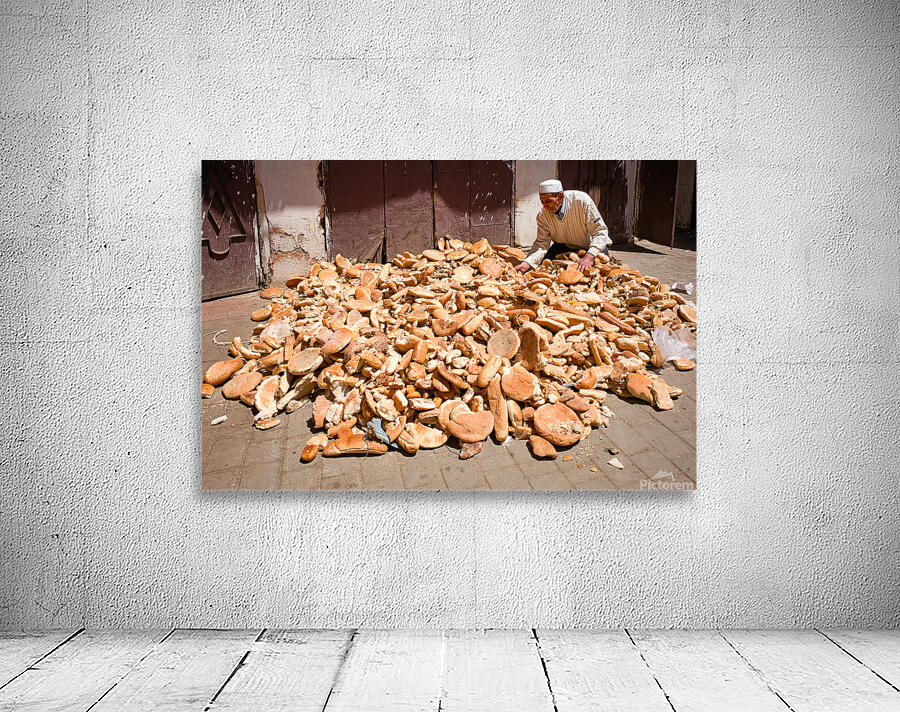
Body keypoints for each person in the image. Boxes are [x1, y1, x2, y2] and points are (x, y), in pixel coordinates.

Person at [514, 179, 612, 274]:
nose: (545, 206)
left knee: (594, 270)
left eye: (548, 201)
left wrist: (589, 257)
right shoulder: (542, 215)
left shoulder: (581, 201)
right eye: (542, 202)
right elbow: (541, 244)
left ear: (560, 196)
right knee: (545, 266)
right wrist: (527, 263)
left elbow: (600, 231)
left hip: (589, 246)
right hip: (564, 246)